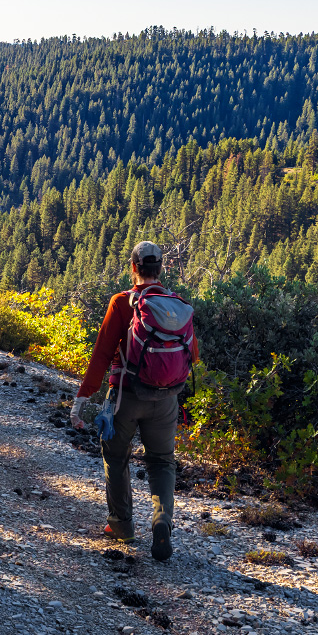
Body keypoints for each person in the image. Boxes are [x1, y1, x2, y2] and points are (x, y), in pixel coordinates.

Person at [70, 241, 198, 562]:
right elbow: (193, 354)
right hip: (167, 400)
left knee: (115, 455)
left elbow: (101, 353)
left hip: (126, 395)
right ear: (161, 269)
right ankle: (161, 521)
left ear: (133, 268)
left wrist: (82, 399)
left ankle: (122, 525)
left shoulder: (123, 303)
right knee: (162, 462)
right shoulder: (177, 305)